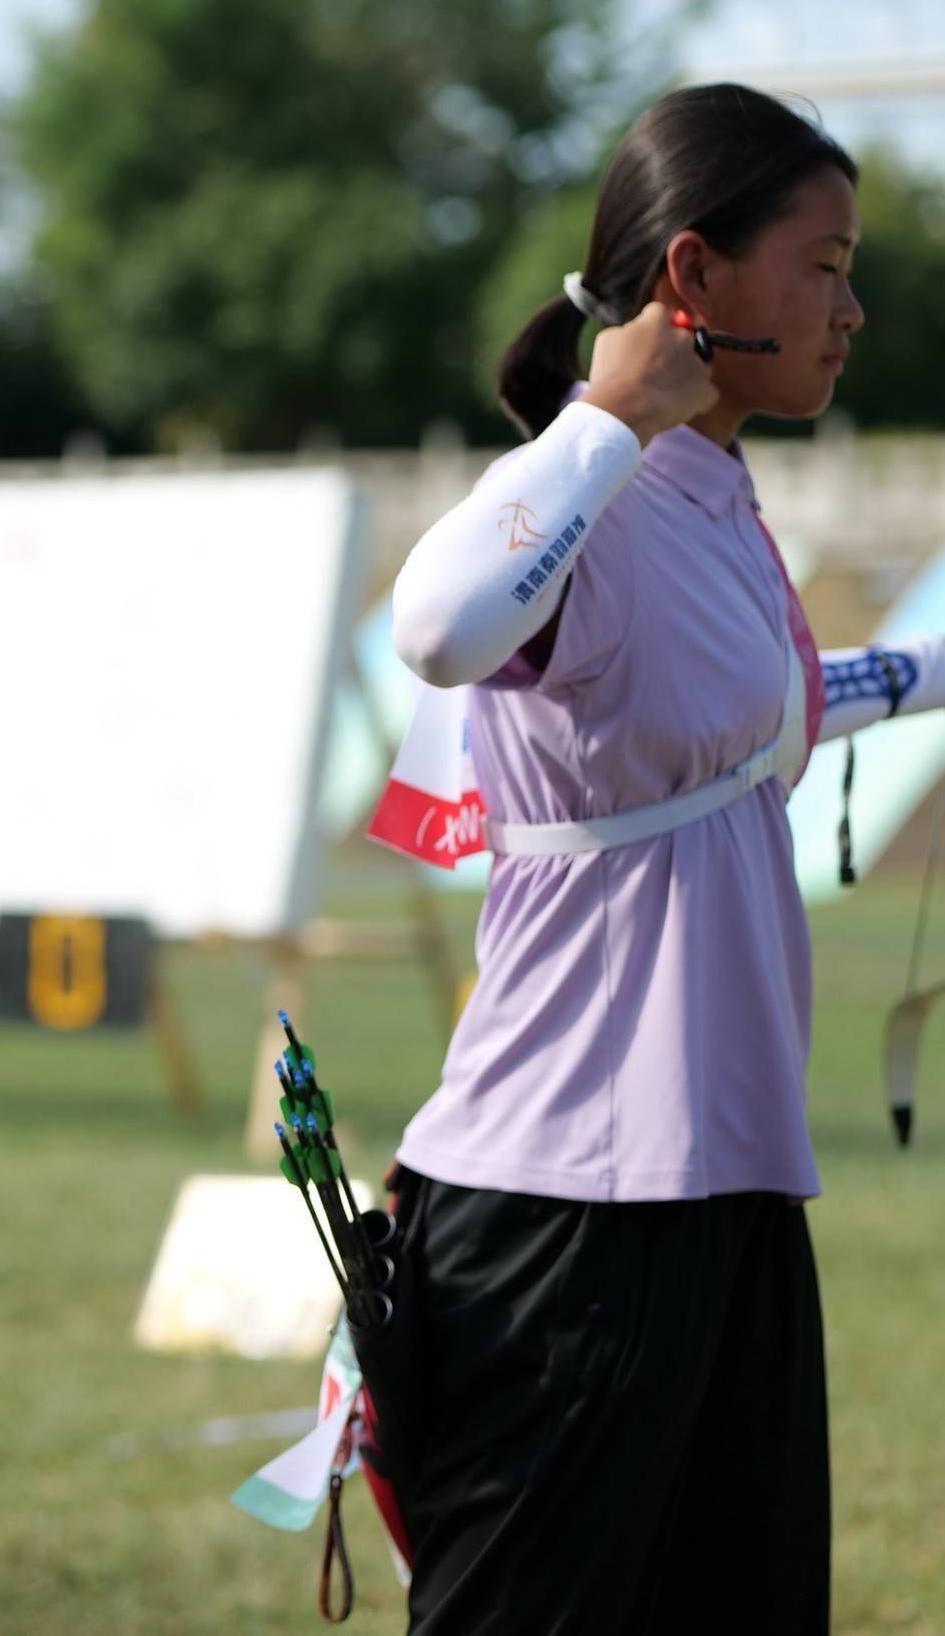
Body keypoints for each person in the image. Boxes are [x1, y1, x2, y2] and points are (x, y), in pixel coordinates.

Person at [378, 83, 945, 1633]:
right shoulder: (605, 496)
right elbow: (435, 629)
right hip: (576, 1213)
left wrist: (932, 668)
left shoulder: (706, 494)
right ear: (693, 279)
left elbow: (756, 719)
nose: (853, 304)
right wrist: (610, 411)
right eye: (821, 264)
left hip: (729, 1188)